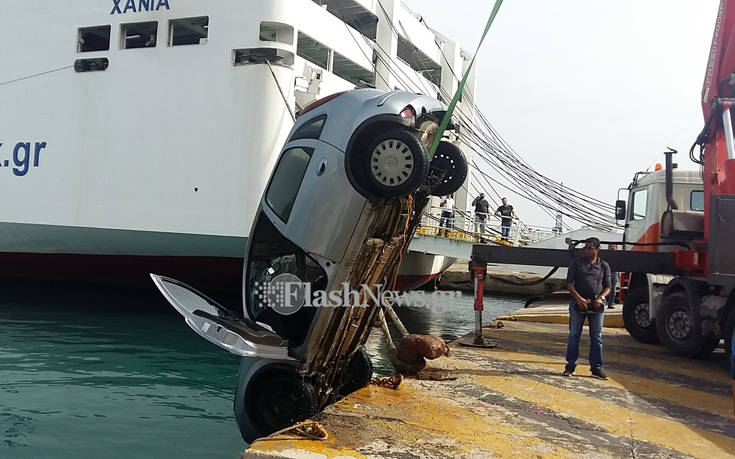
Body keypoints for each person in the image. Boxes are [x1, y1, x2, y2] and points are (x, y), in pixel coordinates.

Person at [563, 237, 611, 380]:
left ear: (597, 249)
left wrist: (600, 298)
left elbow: (608, 286)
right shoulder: (576, 263)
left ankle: (596, 367)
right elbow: (569, 284)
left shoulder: (604, 266)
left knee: (596, 337)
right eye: (585, 248)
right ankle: (570, 366)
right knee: (574, 335)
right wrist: (578, 299)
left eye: (590, 248)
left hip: (596, 305)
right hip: (578, 303)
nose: (586, 250)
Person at [606, 243, 619, 309]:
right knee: (605, 289)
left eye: (615, 246)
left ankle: (610, 304)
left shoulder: (618, 255)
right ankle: (603, 303)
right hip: (607, 273)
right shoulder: (607, 255)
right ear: (609, 247)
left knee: (613, 290)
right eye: (612, 246)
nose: (613, 247)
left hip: (614, 273)